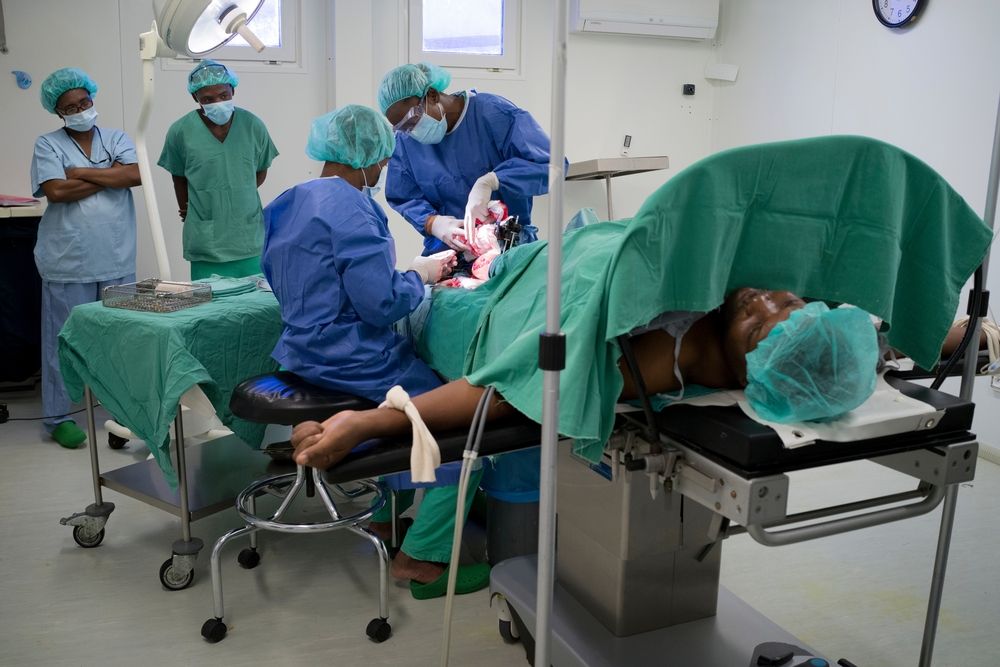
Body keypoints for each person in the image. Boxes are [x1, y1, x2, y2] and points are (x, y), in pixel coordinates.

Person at [260, 104, 492, 600]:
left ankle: (387, 522)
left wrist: (404, 275)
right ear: (364, 156)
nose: (382, 168)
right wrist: (421, 278)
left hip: (300, 352)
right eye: (381, 161)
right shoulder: (349, 207)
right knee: (460, 425)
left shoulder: (288, 201)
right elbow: (381, 303)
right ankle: (422, 559)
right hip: (352, 357)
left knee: (387, 416)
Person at [289, 287, 881, 470]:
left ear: (755, 372)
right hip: (522, 288)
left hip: (480, 325)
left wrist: (368, 420)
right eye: (788, 299)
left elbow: (515, 390)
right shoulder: (762, 327)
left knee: (415, 306)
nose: (761, 297)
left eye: (757, 324)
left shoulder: (654, 361)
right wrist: (963, 334)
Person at [30, 67, 142, 449]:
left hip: (116, 256)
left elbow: (134, 175)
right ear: (58, 112)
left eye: (84, 102)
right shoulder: (48, 144)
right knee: (65, 341)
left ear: (93, 99)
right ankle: (58, 417)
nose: (80, 109)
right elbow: (57, 192)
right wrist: (104, 173)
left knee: (119, 341)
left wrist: (78, 172)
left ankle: (122, 415)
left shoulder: (117, 137)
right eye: (70, 106)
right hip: (69, 259)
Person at [378, 62, 554, 256]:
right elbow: (403, 196)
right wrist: (433, 223)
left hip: (509, 247)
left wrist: (492, 181)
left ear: (433, 95)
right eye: (402, 127)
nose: (411, 131)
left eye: (412, 120)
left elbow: (550, 166)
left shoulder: (493, 114)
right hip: (451, 252)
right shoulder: (405, 143)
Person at [158, 60, 278, 280]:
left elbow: (261, 170)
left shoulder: (252, 125)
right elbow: (178, 176)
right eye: (208, 99)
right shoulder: (180, 131)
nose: (218, 102)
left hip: (248, 236)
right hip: (207, 242)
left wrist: (238, 189)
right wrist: (187, 209)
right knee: (211, 307)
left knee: (254, 305)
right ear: (196, 98)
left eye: (224, 95)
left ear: (233, 89)